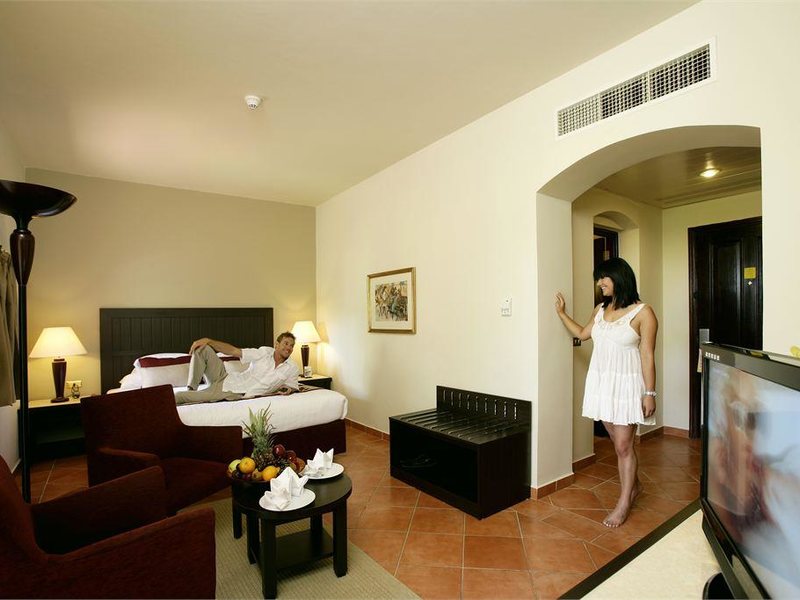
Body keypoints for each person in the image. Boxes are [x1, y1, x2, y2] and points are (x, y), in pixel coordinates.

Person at [555, 257, 658, 528]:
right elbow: (582, 333)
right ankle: (634, 485)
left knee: (624, 446)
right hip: (602, 384)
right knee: (618, 443)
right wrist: (562, 314)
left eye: (604, 278)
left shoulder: (644, 313)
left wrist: (650, 393)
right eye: (598, 279)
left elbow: (647, 355)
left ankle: (624, 502)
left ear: (620, 277)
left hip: (626, 386)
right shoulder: (600, 309)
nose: (600, 283)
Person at [173, 332, 299, 405]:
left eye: (292, 346)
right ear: (276, 345)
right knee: (203, 348)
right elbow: (234, 351)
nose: (289, 348)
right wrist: (208, 341)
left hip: (233, 391)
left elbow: (292, 386)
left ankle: (186, 395)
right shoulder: (263, 352)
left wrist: (289, 389)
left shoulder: (292, 367)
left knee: (179, 396)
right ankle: (191, 388)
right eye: (286, 343)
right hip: (226, 377)